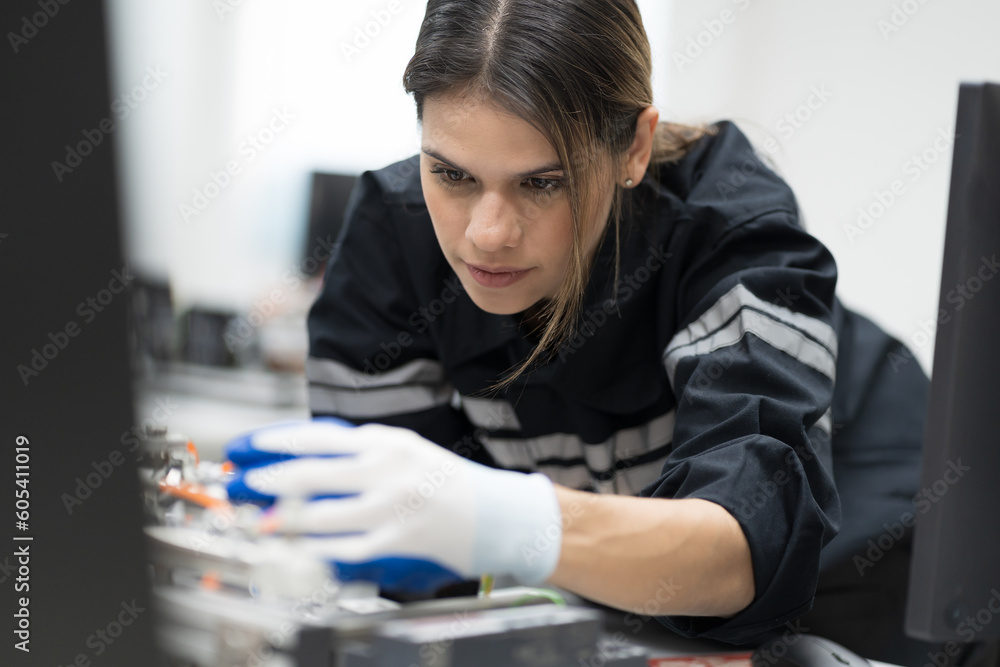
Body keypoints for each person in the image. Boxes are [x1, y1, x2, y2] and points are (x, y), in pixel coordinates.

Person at [225, 0, 942, 663]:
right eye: (451, 173)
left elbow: (745, 552)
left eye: (543, 182)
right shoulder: (393, 237)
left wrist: (498, 515)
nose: (486, 234)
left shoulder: (732, 232)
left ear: (634, 146)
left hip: (875, 550)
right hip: (625, 590)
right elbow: (417, 579)